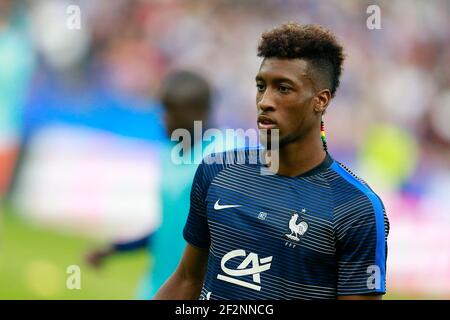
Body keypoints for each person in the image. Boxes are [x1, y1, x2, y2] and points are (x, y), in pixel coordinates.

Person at [153, 23, 389, 300]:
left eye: (284, 89)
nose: (265, 101)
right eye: (261, 86)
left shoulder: (355, 209)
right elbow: (187, 281)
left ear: (320, 100)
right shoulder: (216, 171)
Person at [86, 70, 213, 299]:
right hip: (157, 285)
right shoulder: (170, 153)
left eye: (172, 111)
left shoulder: (222, 156)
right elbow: (173, 229)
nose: (163, 118)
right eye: (163, 109)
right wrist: (117, 248)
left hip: (195, 291)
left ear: (199, 114)